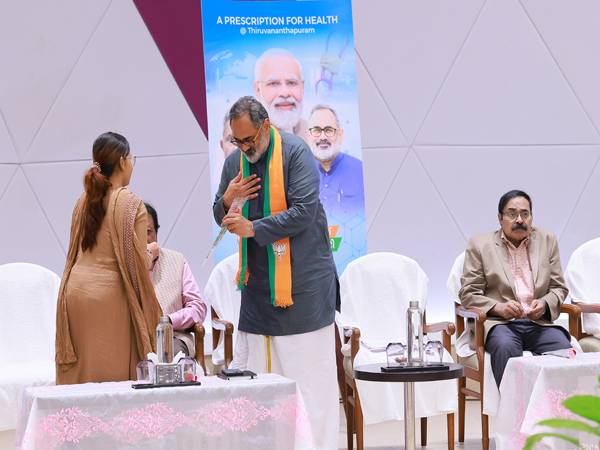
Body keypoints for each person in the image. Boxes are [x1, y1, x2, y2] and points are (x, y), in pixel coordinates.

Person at [213, 96, 339, 450]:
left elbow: (303, 211)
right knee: (261, 389)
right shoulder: (236, 162)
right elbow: (221, 217)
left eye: (249, 139)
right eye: (237, 141)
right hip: (258, 289)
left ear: (265, 126)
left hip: (304, 288)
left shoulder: (296, 153)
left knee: (309, 389)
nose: (244, 148)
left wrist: (253, 228)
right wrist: (227, 200)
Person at [55, 132, 162, 384]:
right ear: (123, 161)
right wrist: (152, 252)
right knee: (113, 383)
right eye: (132, 159)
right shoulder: (131, 203)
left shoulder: (82, 201)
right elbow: (139, 263)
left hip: (74, 295)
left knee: (83, 378)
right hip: (110, 297)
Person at [459, 189, 572, 387]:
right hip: (500, 324)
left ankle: (554, 406)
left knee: (563, 350)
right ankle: (513, 405)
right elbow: (468, 293)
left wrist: (544, 304)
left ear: (531, 217)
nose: (519, 219)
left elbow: (559, 287)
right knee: (506, 347)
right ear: (500, 218)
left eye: (525, 214)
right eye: (512, 214)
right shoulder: (480, 245)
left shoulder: (547, 240)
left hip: (538, 323)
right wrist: (498, 308)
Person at [145, 202, 207, 358]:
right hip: (134, 340)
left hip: (172, 337)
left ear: (156, 233)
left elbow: (197, 307)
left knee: (169, 354)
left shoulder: (177, 260)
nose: (144, 238)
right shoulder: (123, 265)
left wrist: (169, 321)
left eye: (148, 231)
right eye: (138, 232)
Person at [306, 104, 365, 216]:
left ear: (340, 135)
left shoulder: (361, 170)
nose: (322, 137)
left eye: (328, 130)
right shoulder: (298, 174)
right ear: (308, 136)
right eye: (316, 130)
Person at [254, 48, 307, 138]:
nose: (285, 93)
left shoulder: (316, 135)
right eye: (273, 83)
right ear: (258, 89)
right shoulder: (242, 138)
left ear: (302, 87)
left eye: (291, 83)